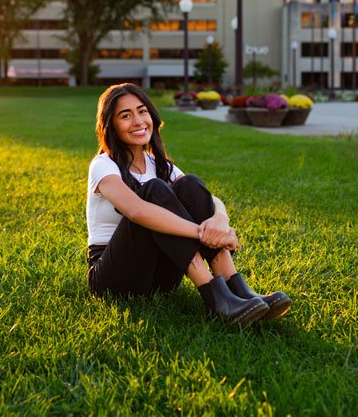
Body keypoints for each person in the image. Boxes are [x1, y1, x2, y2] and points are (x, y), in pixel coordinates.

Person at [85, 83, 290, 323]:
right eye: (125, 116)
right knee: (154, 190)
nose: (138, 121)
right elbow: (137, 211)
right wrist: (202, 233)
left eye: (142, 111)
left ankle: (237, 291)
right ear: (111, 125)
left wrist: (219, 223)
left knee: (189, 184)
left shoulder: (158, 165)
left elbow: (208, 199)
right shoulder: (103, 165)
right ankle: (216, 299)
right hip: (114, 277)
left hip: (158, 279)